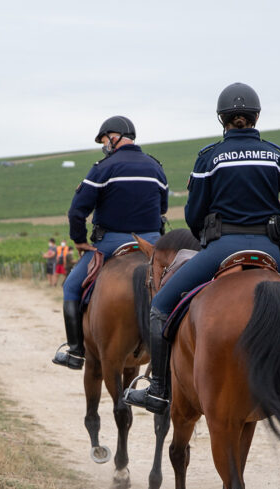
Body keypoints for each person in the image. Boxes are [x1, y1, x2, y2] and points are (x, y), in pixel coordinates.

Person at [123, 83, 280, 413]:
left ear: (221, 120)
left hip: (221, 247)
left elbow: (193, 214)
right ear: (256, 117)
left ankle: (157, 389)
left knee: (161, 308)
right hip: (268, 250)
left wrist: (207, 241)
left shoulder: (209, 157)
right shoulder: (278, 156)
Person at [52, 115, 169, 370]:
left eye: (104, 140)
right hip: (152, 242)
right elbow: (163, 208)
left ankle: (75, 351)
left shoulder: (103, 168)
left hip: (112, 242)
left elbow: (76, 212)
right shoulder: (155, 167)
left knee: (71, 286)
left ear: (114, 137)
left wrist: (80, 241)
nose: (104, 145)